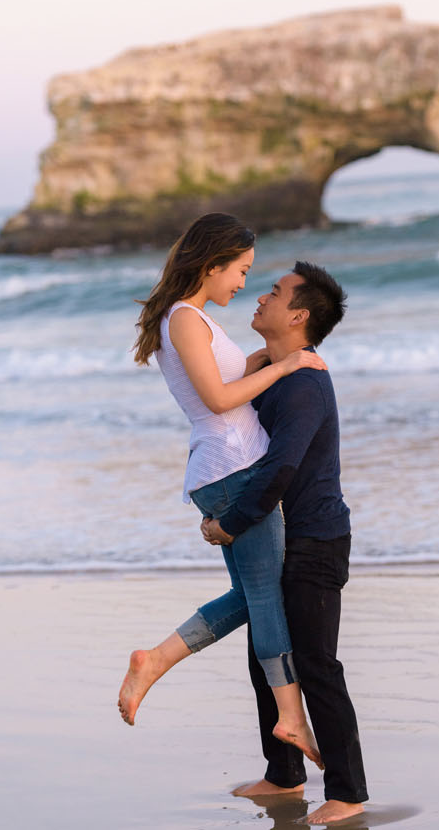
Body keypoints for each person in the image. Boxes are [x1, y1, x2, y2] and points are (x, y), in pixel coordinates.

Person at [118, 213, 324, 770]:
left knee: (252, 595)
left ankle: (154, 660)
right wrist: (287, 370)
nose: (243, 283)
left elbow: (224, 379)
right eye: (240, 270)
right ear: (212, 264)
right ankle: (290, 715)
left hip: (223, 468)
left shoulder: (189, 318)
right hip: (232, 466)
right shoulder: (186, 319)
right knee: (265, 596)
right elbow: (217, 400)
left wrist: (265, 360)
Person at [205, 261, 370, 825]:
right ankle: (284, 775)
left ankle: (349, 792)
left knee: (317, 663)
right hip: (279, 534)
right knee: (265, 656)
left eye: (274, 293)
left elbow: (280, 466)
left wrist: (232, 522)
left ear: (298, 315)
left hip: (316, 538)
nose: (260, 298)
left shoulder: (303, 384)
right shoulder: (276, 373)